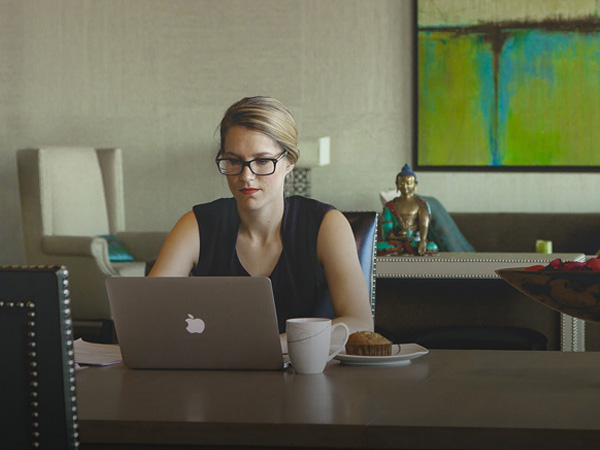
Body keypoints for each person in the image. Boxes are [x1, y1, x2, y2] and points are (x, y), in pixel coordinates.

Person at [149, 96, 373, 350]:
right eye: (234, 161)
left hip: (310, 378)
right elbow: (147, 317)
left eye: (263, 161)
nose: (246, 176)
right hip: (217, 378)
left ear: (289, 162)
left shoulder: (326, 225)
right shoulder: (196, 225)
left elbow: (360, 323)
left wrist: (269, 346)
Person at [377, 164, 439, 256]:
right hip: (396, 242)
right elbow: (386, 232)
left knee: (431, 246)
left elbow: (424, 226)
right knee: (378, 246)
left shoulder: (421, 205)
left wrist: (422, 241)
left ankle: (404, 249)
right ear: (397, 184)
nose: (405, 186)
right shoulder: (390, 206)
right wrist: (397, 235)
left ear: (415, 184)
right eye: (401, 183)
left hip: (414, 241)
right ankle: (404, 249)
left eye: (408, 183)